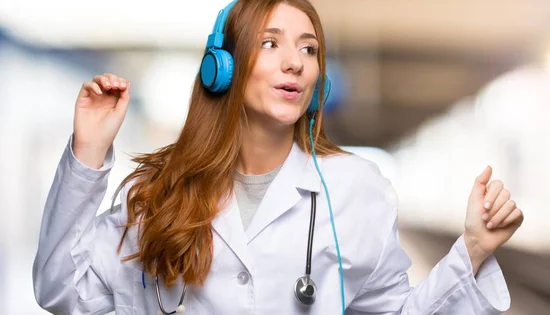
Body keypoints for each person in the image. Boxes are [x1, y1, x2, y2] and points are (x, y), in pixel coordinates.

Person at [32, 0, 524, 314]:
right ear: (220, 68)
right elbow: (63, 291)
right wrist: (89, 150)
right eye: (270, 43)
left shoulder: (355, 189)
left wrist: (474, 249)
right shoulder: (157, 193)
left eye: (308, 50)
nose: (295, 61)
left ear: (317, 82)